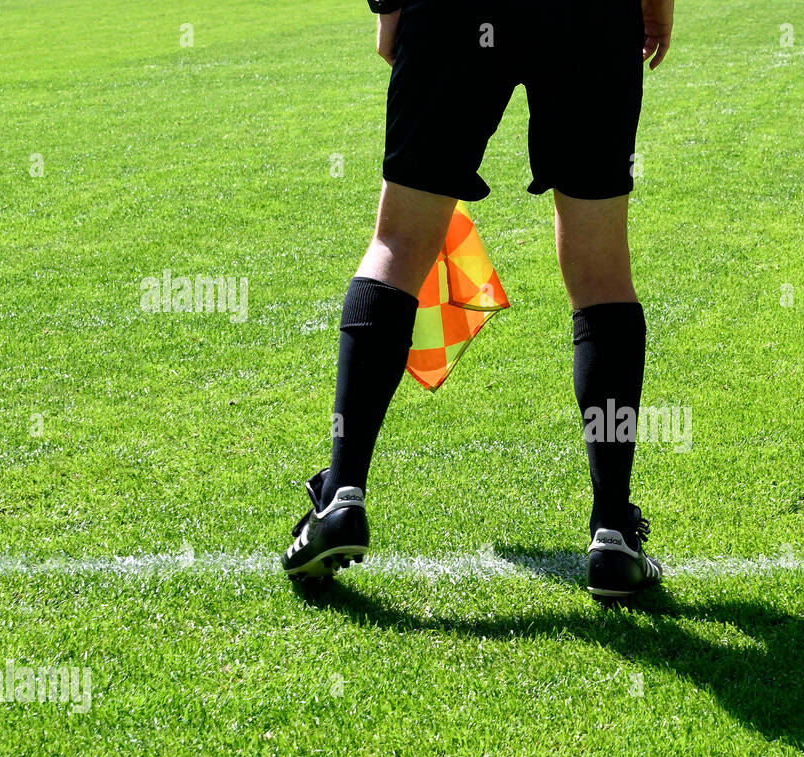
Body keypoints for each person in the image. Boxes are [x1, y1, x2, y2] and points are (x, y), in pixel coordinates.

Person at [281, 0, 673, 599]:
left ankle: (341, 496)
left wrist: (388, 6)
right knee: (602, 270)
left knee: (400, 242)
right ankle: (613, 534)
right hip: (589, 16)